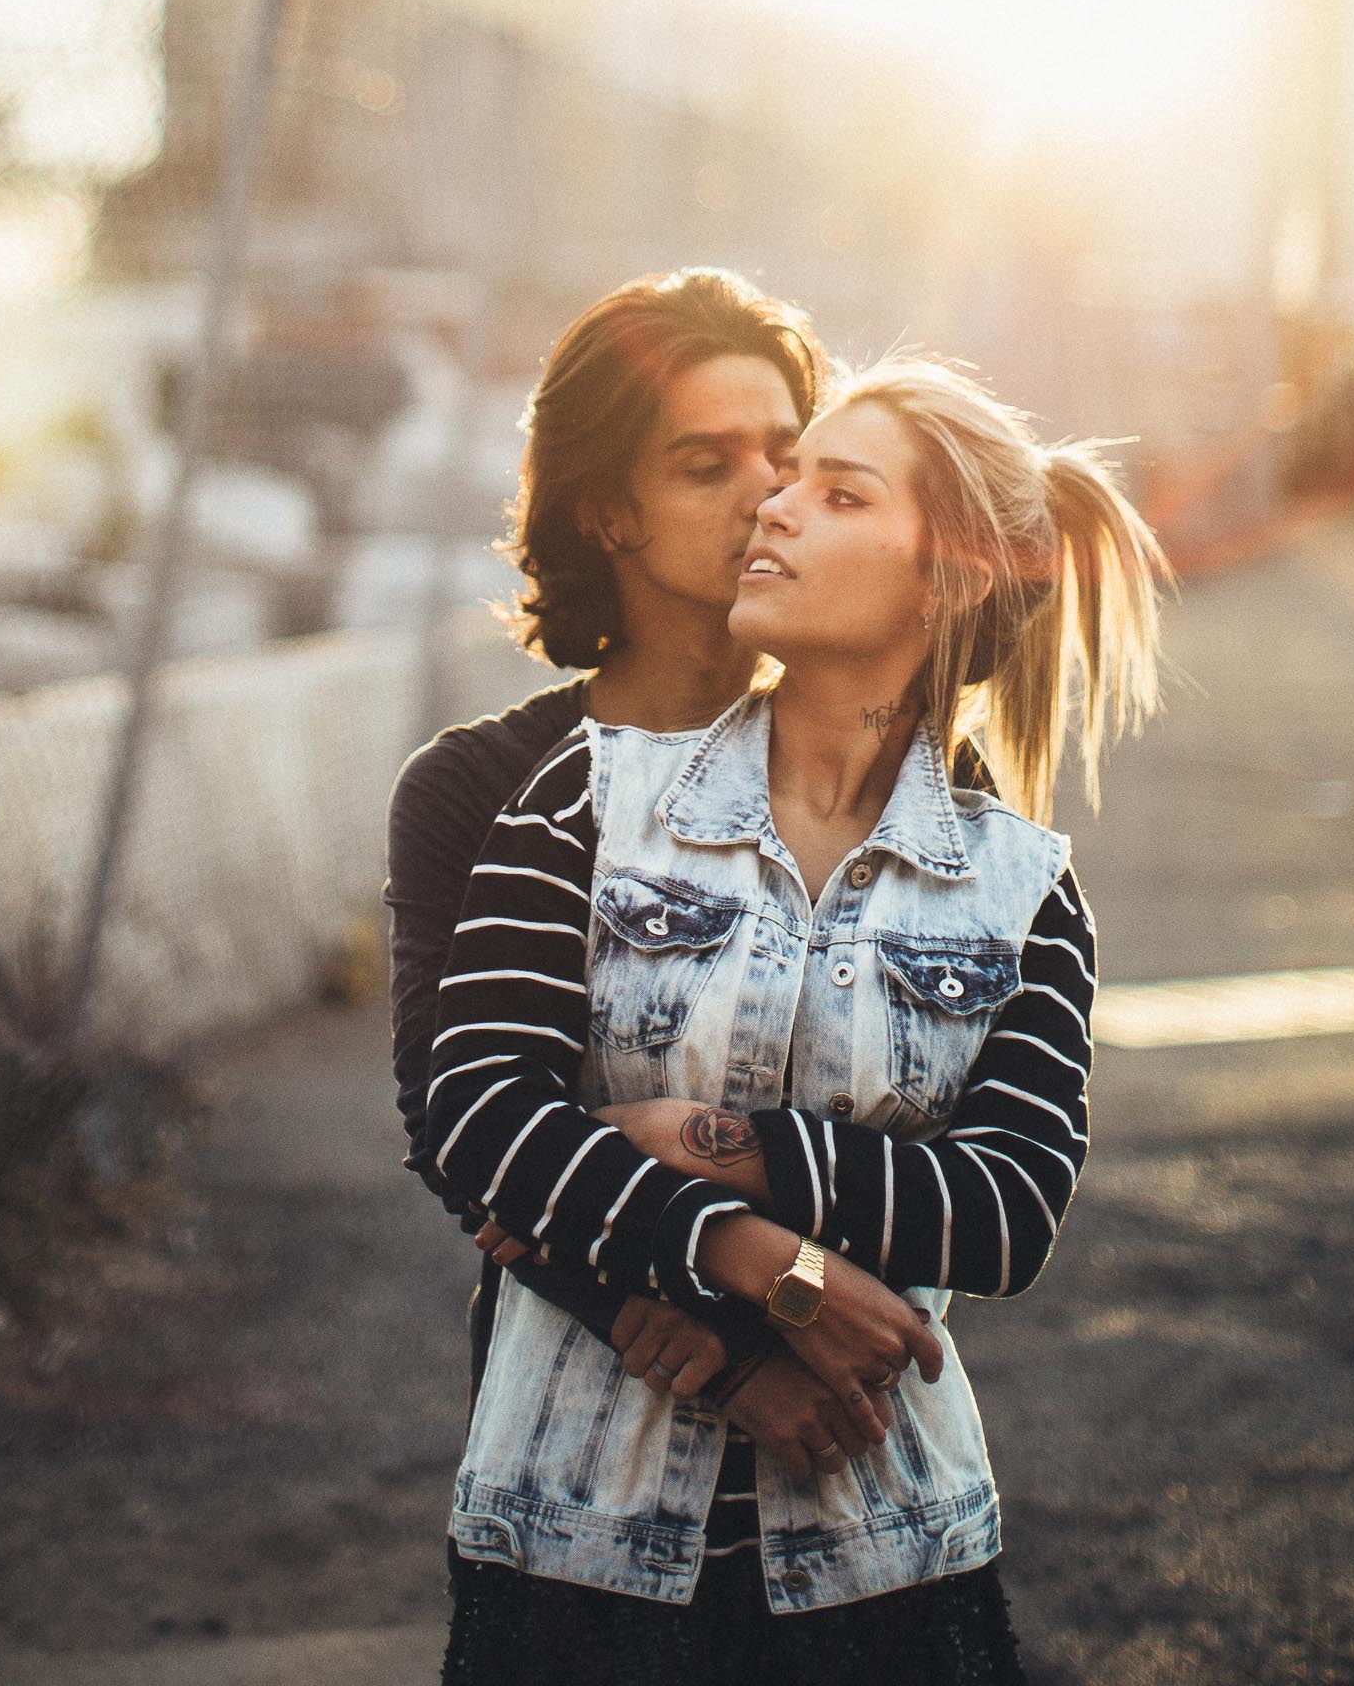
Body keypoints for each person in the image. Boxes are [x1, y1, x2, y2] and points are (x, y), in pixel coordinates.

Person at [425, 353, 1166, 1684]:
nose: (773, 506)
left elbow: (1009, 1210)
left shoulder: (1023, 894)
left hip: (883, 1563)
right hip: (570, 1555)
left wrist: (722, 1140)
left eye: (838, 493)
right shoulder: (585, 800)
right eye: (785, 482)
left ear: (951, 576)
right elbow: (483, 1117)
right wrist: (758, 1259)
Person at [387, 268, 931, 1483]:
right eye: (707, 466)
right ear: (606, 515)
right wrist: (727, 1335)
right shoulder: (481, 790)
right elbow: (464, 1135)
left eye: (788, 457)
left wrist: (700, 1165)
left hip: (875, 1455)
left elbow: (957, 1139)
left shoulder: (899, 776)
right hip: (581, 1467)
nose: (768, 498)